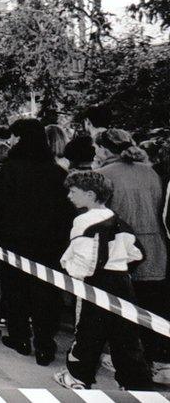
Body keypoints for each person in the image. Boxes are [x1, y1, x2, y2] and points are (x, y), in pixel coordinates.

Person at [0, 118, 75, 366]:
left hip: (14, 243)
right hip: (50, 244)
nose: (11, 141)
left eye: (14, 136)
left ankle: (20, 338)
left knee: (15, 291)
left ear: (21, 139)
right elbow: (68, 210)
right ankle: (45, 344)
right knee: (47, 293)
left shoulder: (7, 172)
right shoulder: (57, 172)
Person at [53, 171, 151, 390]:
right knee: (125, 335)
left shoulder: (82, 221)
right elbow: (138, 254)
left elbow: (85, 260)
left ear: (90, 194)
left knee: (87, 331)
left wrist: (72, 271)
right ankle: (135, 384)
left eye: (73, 191)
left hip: (95, 282)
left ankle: (78, 377)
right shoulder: (120, 221)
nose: (69, 196)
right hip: (122, 282)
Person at [94, 129, 170, 378]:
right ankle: (158, 359)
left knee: (121, 306)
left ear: (104, 150)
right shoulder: (150, 172)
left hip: (122, 247)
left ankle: (126, 361)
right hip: (155, 245)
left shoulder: (103, 175)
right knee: (153, 305)